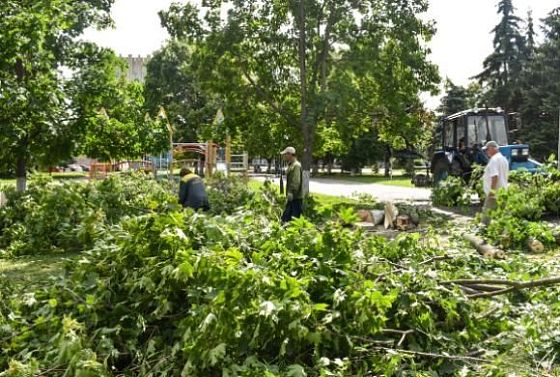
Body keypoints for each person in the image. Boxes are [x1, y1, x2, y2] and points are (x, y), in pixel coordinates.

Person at [481, 141, 509, 225]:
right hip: (503, 191)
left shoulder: (494, 160)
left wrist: (491, 192)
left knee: (486, 216)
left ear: (493, 148)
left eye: (487, 149)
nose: (486, 152)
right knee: (502, 215)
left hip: (494, 193)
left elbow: (495, 177)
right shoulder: (504, 159)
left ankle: (482, 231)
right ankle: (504, 232)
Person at [281, 147, 304, 223]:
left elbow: (296, 181)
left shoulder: (296, 165)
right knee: (286, 218)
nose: (284, 156)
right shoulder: (291, 165)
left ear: (290, 154)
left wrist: (291, 192)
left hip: (296, 198)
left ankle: (296, 234)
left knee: (294, 220)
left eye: (285, 154)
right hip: (292, 198)